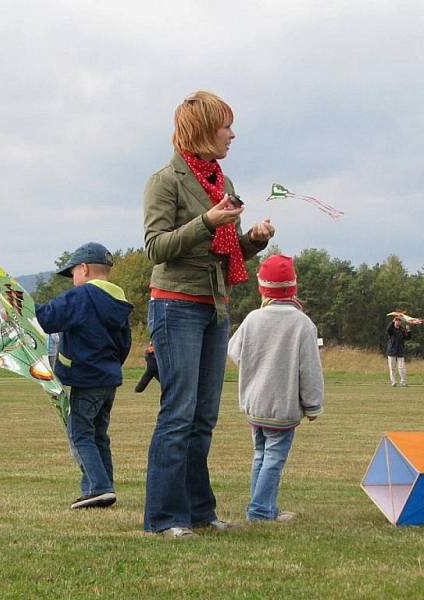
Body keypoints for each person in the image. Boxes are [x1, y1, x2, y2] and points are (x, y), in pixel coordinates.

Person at [142, 91, 275, 538]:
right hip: (175, 304)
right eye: (225, 126)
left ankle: (200, 513)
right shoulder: (166, 181)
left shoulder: (223, 182)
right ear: (202, 130)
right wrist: (206, 222)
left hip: (215, 306)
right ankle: (164, 519)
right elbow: (155, 248)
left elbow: (225, 254)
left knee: (203, 418)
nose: (232, 134)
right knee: (177, 415)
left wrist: (252, 240)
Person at [35, 242, 133, 509]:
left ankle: (98, 487)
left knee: (79, 432)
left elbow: (46, 318)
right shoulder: (119, 301)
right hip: (109, 378)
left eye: (73, 274)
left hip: (86, 378)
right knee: (99, 433)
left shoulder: (83, 296)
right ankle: (102, 487)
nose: (73, 281)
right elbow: (125, 343)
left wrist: (18, 306)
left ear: (84, 268)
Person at [228, 254, 324, 522]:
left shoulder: (253, 318)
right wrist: (313, 404)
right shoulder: (302, 323)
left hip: (255, 403)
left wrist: (257, 366)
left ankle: (266, 508)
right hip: (281, 404)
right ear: (293, 286)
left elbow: (235, 352)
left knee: (261, 454)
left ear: (262, 287)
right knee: (274, 458)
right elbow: (310, 369)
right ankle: (260, 510)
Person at [387, 315, 412, 387]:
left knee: (402, 368)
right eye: (397, 320)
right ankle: (394, 382)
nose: (398, 322)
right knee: (392, 368)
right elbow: (388, 329)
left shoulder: (402, 329)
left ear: (400, 322)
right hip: (391, 351)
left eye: (399, 321)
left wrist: (409, 331)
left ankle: (403, 382)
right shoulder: (391, 329)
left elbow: (407, 338)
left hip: (400, 351)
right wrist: (392, 321)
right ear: (394, 321)